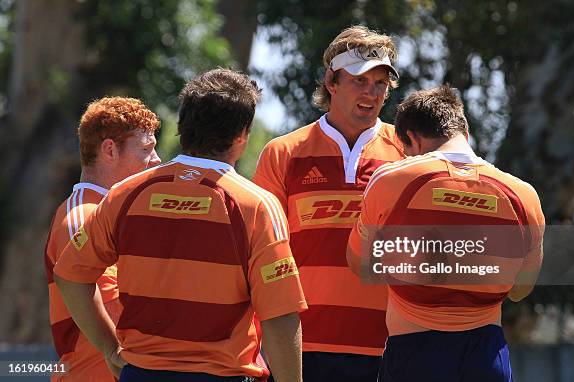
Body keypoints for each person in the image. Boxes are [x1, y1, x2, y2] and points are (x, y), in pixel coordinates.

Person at [54, 68, 307, 382]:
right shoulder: (257, 206)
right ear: (242, 136)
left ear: (182, 126)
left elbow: (69, 275)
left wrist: (109, 348)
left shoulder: (124, 195)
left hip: (141, 374)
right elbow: (280, 316)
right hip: (222, 375)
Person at [347, 85, 545, 382]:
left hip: (414, 351)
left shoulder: (390, 180)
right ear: (465, 134)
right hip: (487, 353)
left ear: (411, 139)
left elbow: (359, 262)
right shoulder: (524, 194)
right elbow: (520, 290)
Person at [254, 26, 406, 381]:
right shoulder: (284, 152)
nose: (371, 92)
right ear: (331, 81)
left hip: (388, 346)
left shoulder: (408, 154)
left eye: (380, 83)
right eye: (359, 80)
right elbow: (261, 252)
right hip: (299, 346)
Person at [44, 96, 161, 381]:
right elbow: (117, 312)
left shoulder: (115, 211)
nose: (157, 159)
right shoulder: (83, 215)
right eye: (146, 149)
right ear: (110, 149)